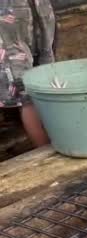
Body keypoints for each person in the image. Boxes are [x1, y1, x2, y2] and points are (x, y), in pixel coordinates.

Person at [0, 0, 56, 147]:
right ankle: (46, 149)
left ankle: (53, 144)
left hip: (29, 8)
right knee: (27, 89)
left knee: (43, 77)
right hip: (14, 11)